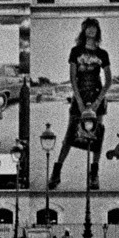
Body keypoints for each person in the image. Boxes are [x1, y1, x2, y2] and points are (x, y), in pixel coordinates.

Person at [48, 18, 112, 191]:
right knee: (70, 135)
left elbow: (108, 81)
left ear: (98, 31)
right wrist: (80, 102)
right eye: (88, 28)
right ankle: (56, 173)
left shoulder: (103, 54)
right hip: (79, 98)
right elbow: (73, 79)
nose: (91, 31)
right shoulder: (75, 51)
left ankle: (94, 175)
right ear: (83, 31)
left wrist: (98, 102)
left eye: (94, 28)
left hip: (97, 98)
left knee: (96, 137)